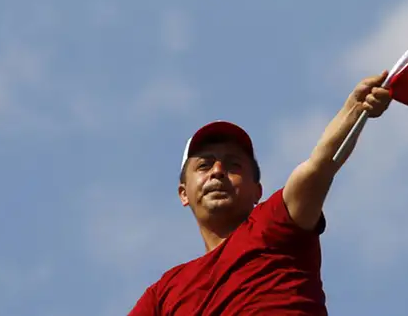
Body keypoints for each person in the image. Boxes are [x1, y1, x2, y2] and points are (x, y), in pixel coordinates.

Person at [128, 71, 393, 315]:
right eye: (204, 165)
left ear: (258, 191)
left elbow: (319, 167)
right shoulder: (163, 294)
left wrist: (354, 110)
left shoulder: (275, 223)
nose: (218, 171)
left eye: (233, 165)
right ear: (183, 194)